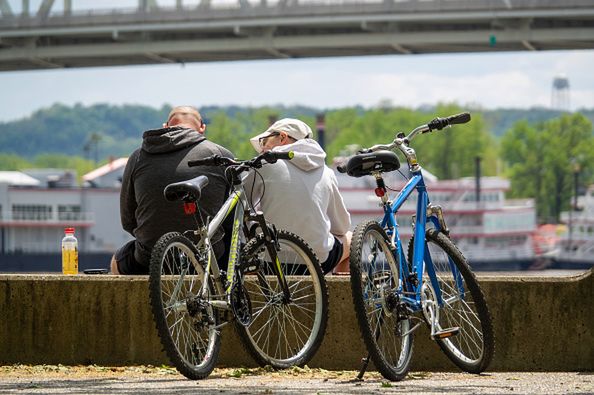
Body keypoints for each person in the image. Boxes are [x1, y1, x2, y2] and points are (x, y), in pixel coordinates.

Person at [111, 106, 234, 275]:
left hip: (151, 258)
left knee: (117, 260)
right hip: (209, 257)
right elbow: (231, 221)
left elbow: (128, 221)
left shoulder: (138, 157)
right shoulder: (220, 154)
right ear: (202, 128)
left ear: (165, 126)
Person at [246, 118, 352, 274]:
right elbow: (342, 226)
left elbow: (241, 204)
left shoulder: (264, 163)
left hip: (270, 261)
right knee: (351, 238)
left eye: (264, 142)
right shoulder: (327, 172)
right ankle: (339, 294)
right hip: (316, 261)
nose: (262, 149)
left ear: (282, 137)